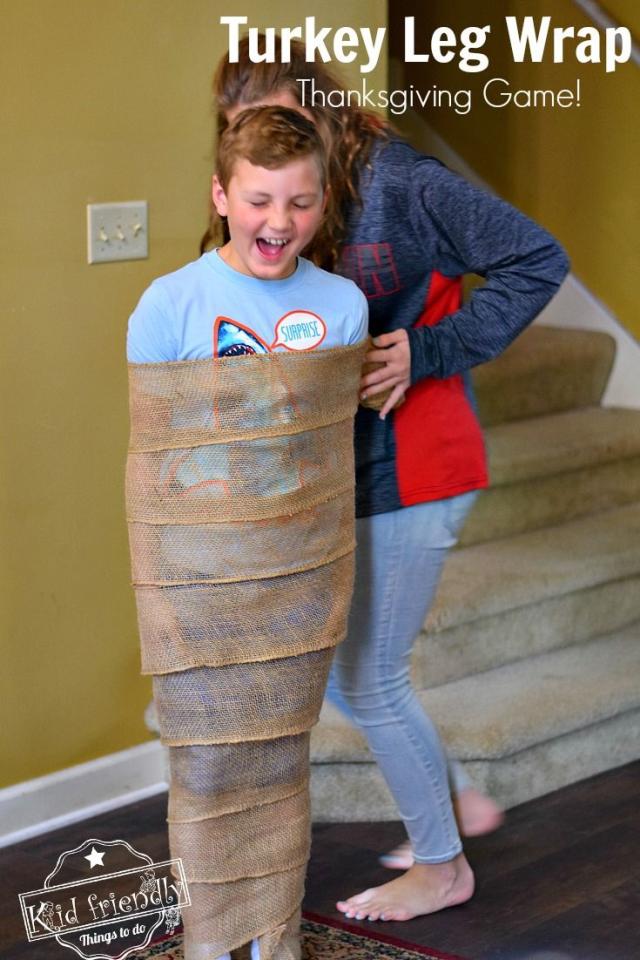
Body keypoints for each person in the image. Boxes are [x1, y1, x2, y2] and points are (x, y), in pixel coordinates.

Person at [205, 38, 570, 924]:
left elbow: (539, 258)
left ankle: (444, 866)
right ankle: (460, 803)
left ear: (319, 107)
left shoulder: (404, 181)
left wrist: (430, 347)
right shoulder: (288, 191)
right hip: (343, 465)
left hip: (422, 457)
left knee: (370, 679)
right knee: (347, 676)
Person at [127, 107, 367, 960]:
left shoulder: (341, 306)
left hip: (296, 578)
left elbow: (327, 454)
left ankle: (271, 936)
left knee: (278, 761)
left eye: (300, 204)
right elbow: (152, 467)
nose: (280, 222)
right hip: (199, 584)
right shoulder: (169, 304)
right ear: (221, 195)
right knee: (204, 769)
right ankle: (209, 939)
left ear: (324, 201)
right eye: (261, 199)